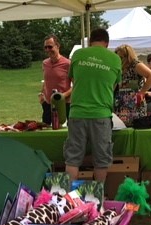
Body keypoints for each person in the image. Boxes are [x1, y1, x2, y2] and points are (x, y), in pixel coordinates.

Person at [63, 28, 121, 184]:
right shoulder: (115, 59)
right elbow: (114, 84)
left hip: (77, 113)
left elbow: (73, 80)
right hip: (101, 114)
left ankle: (69, 199)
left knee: (73, 158)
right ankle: (98, 196)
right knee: (101, 159)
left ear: (90, 41)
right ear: (106, 43)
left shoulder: (78, 55)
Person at [114, 44, 151, 126]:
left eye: (121, 57)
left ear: (127, 56)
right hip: (121, 104)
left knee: (135, 125)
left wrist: (142, 92)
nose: (119, 59)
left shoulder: (135, 65)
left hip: (134, 104)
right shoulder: (121, 67)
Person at [40, 34, 71, 125]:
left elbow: (76, 84)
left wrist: (63, 96)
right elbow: (46, 81)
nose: (47, 50)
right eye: (45, 47)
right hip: (48, 104)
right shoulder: (45, 63)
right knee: (46, 131)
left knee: (66, 132)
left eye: (50, 47)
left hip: (64, 104)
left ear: (57, 46)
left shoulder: (67, 63)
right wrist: (41, 94)